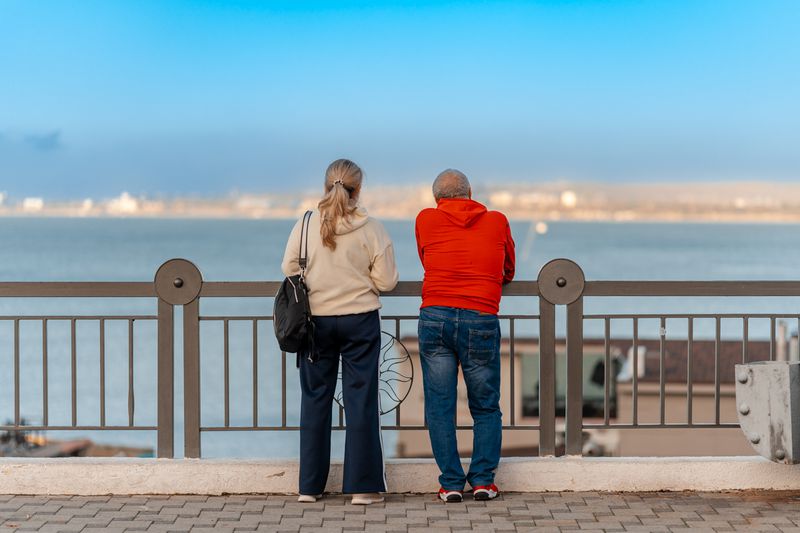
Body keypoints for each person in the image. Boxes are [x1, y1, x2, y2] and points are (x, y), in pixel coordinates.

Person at [281, 159, 399, 505]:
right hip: (360, 320)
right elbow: (387, 281)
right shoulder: (372, 227)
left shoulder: (305, 224)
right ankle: (363, 488)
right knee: (361, 400)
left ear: (325, 186)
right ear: (357, 189)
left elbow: (289, 267)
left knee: (315, 400)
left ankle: (310, 488)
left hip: (316, 321)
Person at [414, 169, 515, 503]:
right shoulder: (498, 221)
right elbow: (508, 270)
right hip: (481, 317)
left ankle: (451, 483)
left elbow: (427, 258)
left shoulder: (426, 219)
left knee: (440, 407)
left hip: (436, 317)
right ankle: (483, 481)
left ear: (437, 199)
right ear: (470, 194)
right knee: (485, 405)